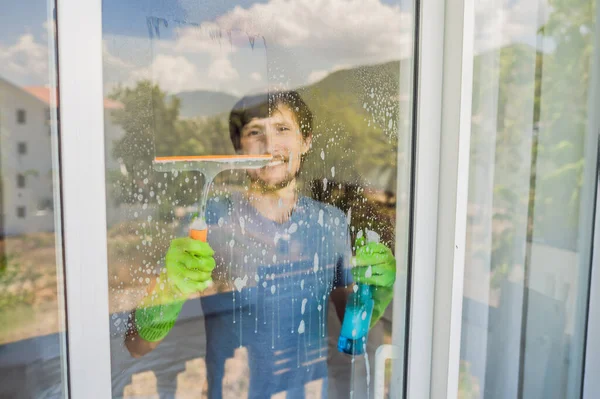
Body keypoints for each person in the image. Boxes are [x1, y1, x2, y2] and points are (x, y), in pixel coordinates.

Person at [125, 90, 396, 398]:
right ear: (239, 148)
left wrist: (374, 295)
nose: (270, 145)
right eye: (255, 132)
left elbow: (351, 334)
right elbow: (137, 345)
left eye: (282, 129)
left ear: (305, 141)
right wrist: (168, 289)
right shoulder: (206, 222)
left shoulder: (331, 223)